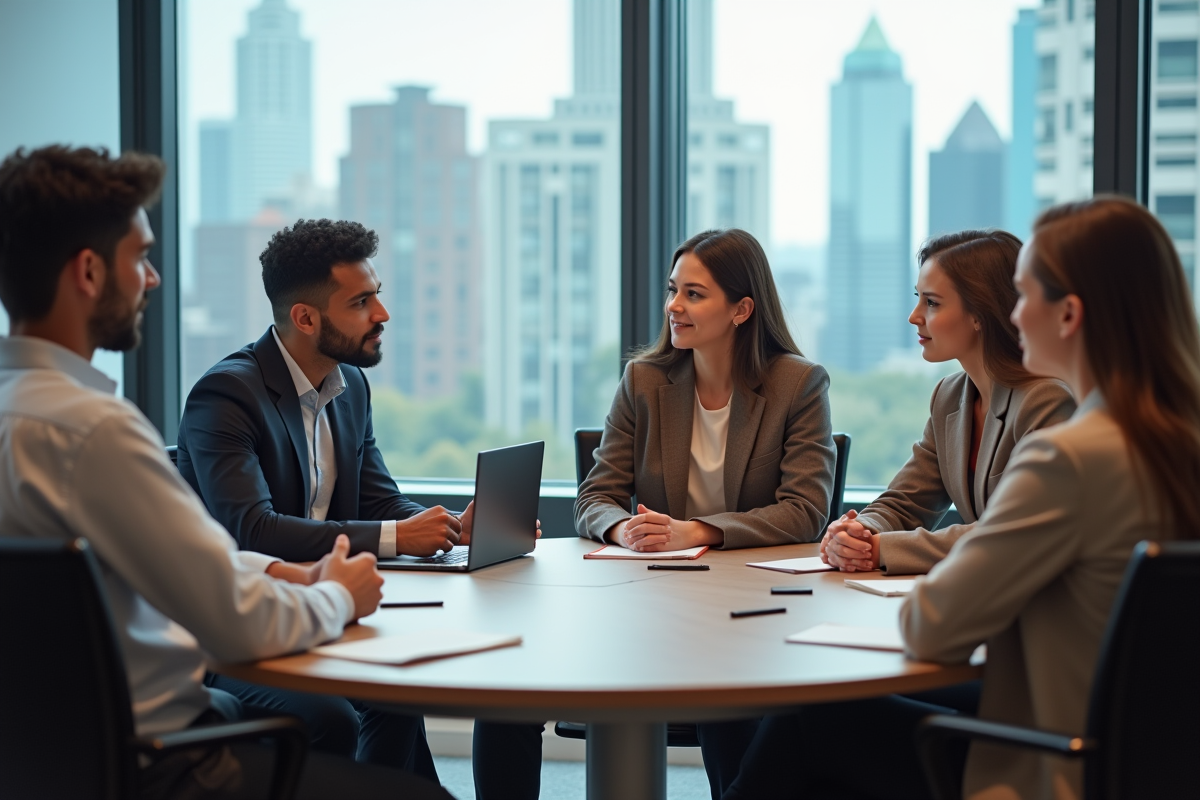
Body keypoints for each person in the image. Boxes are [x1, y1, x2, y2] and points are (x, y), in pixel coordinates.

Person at [0, 145, 450, 799]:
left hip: (46, 758)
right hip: (166, 760)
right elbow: (232, 618)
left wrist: (282, 571)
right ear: (90, 272)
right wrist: (336, 596)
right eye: (141, 257)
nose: (151, 279)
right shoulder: (95, 431)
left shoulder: (26, 414)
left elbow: (184, 560)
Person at [723, 196, 1200, 800]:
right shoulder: (1169, 436)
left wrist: (886, 552)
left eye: (1024, 297)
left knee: (810, 723)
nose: (1015, 314)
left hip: (1056, 757)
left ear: (1069, 314)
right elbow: (914, 501)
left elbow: (932, 626)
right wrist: (867, 532)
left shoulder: (1072, 455)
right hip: (1138, 751)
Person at [471, 229, 835, 800]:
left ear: (742, 309)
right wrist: (623, 527)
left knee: (730, 704)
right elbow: (594, 497)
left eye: (694, 294)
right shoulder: (645, 380)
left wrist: (696, 531)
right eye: (672, 291)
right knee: (503, 698)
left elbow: (805, 512)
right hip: (636, 605)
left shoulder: (798, 384)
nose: (673, 307)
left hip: (747, 612)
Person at [176, 219, 476, 780]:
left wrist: (450, 527)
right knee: (333, 715)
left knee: (396, 691)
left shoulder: (348, 385)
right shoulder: (227, 394)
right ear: (306, 318)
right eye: (361, 302)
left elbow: (380, 501)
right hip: (231, 626)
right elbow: (252, 531)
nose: (382, 315)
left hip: (324, 609)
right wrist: (396, 537)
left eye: (378, 296)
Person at [820, 230, 1075, 574]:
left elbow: (1014, 530)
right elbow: (906, 502)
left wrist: (881, 549)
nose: (914, 316)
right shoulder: (950, 396)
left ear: (980, 314)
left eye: (932, 303)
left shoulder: (1047, 400)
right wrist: (859, 532)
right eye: (918, 299)